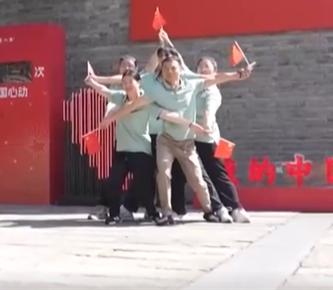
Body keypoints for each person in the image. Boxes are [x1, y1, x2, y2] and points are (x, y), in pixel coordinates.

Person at [97, 53, 253, 225]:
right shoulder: (154, 87)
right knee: (161, 174)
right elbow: (132, 100)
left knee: (198, 177)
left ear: (181, 70)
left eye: (173, 68)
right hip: (165, 139)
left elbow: (214, 81)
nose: (170, 71)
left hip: (191, 140)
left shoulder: (193, 83)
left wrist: (237, 74)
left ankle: (213, 209)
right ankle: (164, 211)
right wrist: (109, 118)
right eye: (165, 68)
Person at [84, 71, 159, 224]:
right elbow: (104, 91)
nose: (127, 85)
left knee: (143, 184)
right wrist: (92, 82)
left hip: (141, 149)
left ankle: (152, 214)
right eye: (124, 83)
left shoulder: (146, 99)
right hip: (122, 150)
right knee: (113, 182)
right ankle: (114, 214)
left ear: (139, 83)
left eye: (130, 82)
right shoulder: (120, 97)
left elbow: (163, 114)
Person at [194, 56, 251, 224]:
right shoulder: (195, 86)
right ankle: (216, 208)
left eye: (207, 66)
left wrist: (206, 124)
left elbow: (209, 111)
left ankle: (235, 208)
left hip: (208, 138)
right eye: (200, 66)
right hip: (192, 137)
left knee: (217, 174)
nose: (203, 69)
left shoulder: (212, 92)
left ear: (215, 71)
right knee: (199, 175)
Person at [87, 55, 138, 221]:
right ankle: (106, 208)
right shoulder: (118, 86)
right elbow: (111, 101)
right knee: (114, 177)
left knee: (144, 177)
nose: (126, 68)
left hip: (142, 141)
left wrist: (96, 79)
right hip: (122, 140)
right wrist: (107, 117)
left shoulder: (141, 83)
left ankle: (137, 209)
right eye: (123, 65)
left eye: (130, 65)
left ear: (136, 69)